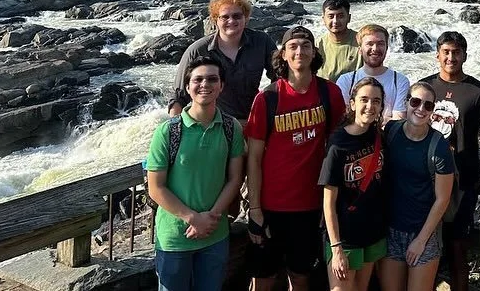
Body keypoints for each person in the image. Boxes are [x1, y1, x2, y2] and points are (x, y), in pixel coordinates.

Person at [245, 25, 346, 291]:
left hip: (311, 205)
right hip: (270, 206)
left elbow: (337, 147)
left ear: (314, 53)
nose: (299, 51)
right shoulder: (267, 98)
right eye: (293, 47)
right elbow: (253, 158)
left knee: (300, 276)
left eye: (305, 46)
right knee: (263, 278)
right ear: (284, 55)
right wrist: (254, 209)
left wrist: (332, 204)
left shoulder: (330, 93)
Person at [146, 55, 245, 291]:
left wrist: (211, 217)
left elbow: (235, 179)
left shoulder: (232, 128)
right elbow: (155, 187)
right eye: (198, 79)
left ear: (221, 86)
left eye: (212, 79)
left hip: (215, 233)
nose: (205, 85)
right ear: (188, 87)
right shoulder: (168, 132)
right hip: (174, 237)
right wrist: (193, 219)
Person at [420, 31, 480, 291]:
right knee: (426, 244)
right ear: (437, 54)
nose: (451, 57)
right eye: (446, 52)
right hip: (426, 179)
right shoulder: (425, 88)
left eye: (456, 52)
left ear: (465, 55)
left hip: (463, 181)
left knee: (457, 248)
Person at [381, 82, 455, 291]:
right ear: (406, 103)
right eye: (415, 102)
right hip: (391, 230)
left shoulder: (438, 146)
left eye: (428, 105)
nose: (421, 109)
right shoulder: (391, 131)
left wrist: (421, 240)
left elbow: (443, 198)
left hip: (424, 232)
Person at [319, 76, 388, 291]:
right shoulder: (338, 143)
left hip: (371, 231)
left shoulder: (378, 136)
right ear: (353, 103)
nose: (370, 106)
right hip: (344, 237)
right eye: (364, 99)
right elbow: (328, 203)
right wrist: (336, 248)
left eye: (376, 101)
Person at [168, 0, 275, 121]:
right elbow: (178, 96)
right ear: (215, 20)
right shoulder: (198, 50)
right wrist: (174, 130)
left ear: (246, 18)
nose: (231, 21)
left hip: (253, 121)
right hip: (213, 124)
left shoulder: (262, 42)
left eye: (237, 16)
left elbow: (281, 78)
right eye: (225, 17)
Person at [335, 24, 409, 122]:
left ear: (387, 48)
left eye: (380, 44)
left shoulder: (400, 81)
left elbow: (398, 122)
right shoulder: (346, 80)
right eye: (369, 44)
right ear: (360, 50)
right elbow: (344, 119)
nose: (375, 48)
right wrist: (386, 119)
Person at [317, 0, 360, 81]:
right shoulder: (317, 44)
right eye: (331, 16)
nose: (335, 21)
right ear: (323, 19)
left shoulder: (361, 42)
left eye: (340, 16)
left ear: (349, 18)